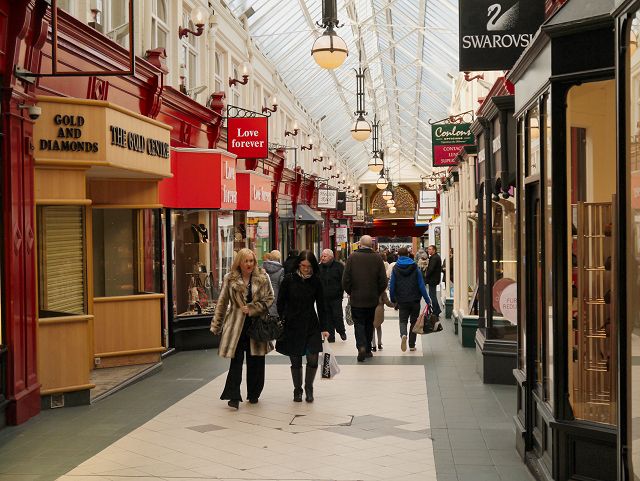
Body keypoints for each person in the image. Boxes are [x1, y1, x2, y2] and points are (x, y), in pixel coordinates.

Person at [210, 248, 274, 409]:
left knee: (256, 362)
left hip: (256, 326)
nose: (249, 264)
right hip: (236, 326)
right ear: (239, 262)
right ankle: (233, 396)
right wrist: (216, 325)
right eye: (246, 261)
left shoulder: (263, 277)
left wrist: (253, 308)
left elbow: (270, 298)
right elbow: (222, 302)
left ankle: (253, 394)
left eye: (251, 261)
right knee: (236, 361)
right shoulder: (230, 279)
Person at [277, 251, 329, 403]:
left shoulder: (316, 281)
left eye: (309, 266)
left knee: (313, 358)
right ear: (298, 264)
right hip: (292, 324)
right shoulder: (288, 280)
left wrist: (325, 327)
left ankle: (309, 387)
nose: (306, 269)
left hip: (311, 323)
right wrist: (282, 318)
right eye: (303, 266)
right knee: (296, 360)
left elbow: (321, 305)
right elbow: (280, 302)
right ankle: (297, 390)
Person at [342, 235, 388, 362]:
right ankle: (367, 349)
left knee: (359, 324)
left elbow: (345, 279)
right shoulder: (377, 258)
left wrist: (350, 291)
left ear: (360, 244)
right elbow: (383, 281)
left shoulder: (352, 257)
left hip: (357, 298)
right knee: (369, 323)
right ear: (371, 245)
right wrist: (377, 292)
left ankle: (361, 346)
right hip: (372, 299)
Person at [389, 247, 431, 352]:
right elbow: (421, 285)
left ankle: (403, 335)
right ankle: (412, 345)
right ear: (408, 255)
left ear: (398, 255)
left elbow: (392, 285)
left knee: (403, 321)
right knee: (413, 322)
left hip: (402, 300)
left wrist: (393, 299)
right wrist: (427, 299)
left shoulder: (395, 268)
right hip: (415, 299)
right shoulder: (415, 267)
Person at [318, 249, 347, 343]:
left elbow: (343, 280)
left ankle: (341, 331)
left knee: (337, 315)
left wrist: (341, 291)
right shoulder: (319, 267)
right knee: (326, 317)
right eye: (322, 256)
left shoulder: (339, 266)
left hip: (336, 297)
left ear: (331, 257)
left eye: (324, 256)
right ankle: (330, 336)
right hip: (323, 297)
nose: (322, 258)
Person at [263, 250, 285, 316]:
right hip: (275, 299)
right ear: (279, 258)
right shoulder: (281, 271)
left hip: (263, 301)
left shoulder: (262, 268)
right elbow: (282, 286)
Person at [425, 245, 443, 317]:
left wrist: (426, 276)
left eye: (430, 249)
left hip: (433, 279)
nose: (428, 250)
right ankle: (437, 309)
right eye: (428, 249)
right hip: (434, 279)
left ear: (434, 250)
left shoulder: (434, 258)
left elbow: (431, 269)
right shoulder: (435, 257)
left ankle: (436, 311)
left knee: (432, 295)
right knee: (432, 295)